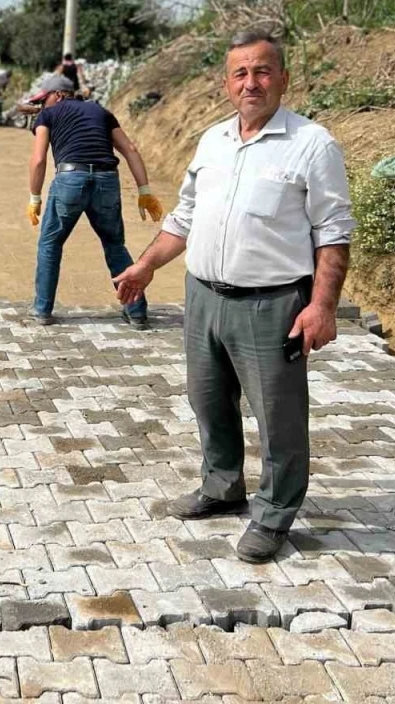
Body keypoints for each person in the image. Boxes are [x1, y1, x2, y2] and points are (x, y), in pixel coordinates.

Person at [112, 29, 355, 564]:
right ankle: (222, 487)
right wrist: (147, 264)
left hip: (272, 305)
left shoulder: (313, 144)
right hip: (203, 298)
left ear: (284, 79)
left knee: (278, 415)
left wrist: (322, 304)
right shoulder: (213, 142)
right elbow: (186, 217)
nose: (252, 82)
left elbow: (333, 231)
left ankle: (273, 514)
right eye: (241, 73)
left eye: (263, 71)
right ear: (227, 84)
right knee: (208, 400)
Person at [27, 76, 163, 327]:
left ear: (58, 94)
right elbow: (130, 149)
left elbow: (38, 159)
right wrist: (144, 190)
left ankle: (42, 310)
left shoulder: (48, 115)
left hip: (70, 180)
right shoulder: (101, 111)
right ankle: (136, 312)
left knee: (50, 244)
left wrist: (35, 197)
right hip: (106, 181)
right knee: (114, 245)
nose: (42, 105)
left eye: (43, 99)